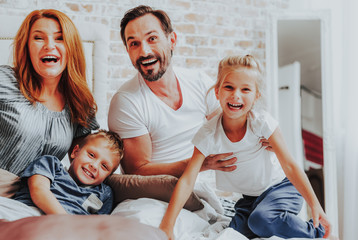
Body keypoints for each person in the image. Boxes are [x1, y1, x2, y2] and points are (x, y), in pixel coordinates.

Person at [159, 55, 333, 239]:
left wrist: (315, 206)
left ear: (256, 96)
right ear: (217, 92)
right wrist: (166, 226)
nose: (236, 95)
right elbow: (187, 180)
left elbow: (290, 165)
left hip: (281, 188)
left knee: (262, 220)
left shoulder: (262, 123)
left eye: (245, 89)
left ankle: (317, 234)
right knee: (232, 233)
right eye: (229, 87)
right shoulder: (208, 134)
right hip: (250, 199)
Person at [108, 5, 238, 178]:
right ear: (128, 51)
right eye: (134, 44)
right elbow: (137, 171)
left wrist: (262, 135)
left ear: (172, 40)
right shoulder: (126, 101)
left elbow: (229, 129)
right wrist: (200, 163)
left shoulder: (200, 82)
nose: (144, 51)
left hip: (202, 192)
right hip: (153, 196)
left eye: (152, 38)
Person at [0, 9, 99, 177]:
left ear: (71, 48)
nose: (49, 45)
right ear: (27, 47)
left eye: (60, 38)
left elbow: (81, 164)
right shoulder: (5, 80)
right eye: (38, 38)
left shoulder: (79, 102)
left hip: (37, 196)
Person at [0, 130, 124, 220]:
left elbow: (97, 225)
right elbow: (39, 191)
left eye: (104, 166)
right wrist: (65, 221)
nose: (94, 166)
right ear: (75, 152)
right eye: (91, 155)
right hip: (26, 212)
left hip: (64, 231)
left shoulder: (105, 193)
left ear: (108, 175)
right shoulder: (50, 164)